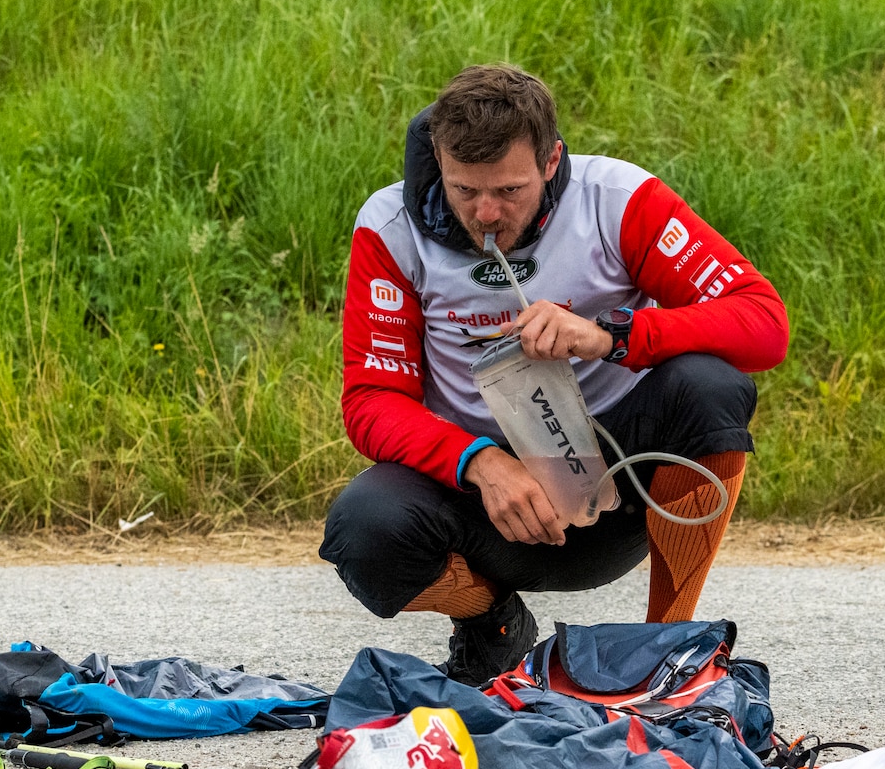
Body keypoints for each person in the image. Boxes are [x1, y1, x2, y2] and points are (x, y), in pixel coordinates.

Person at [320, 64, 790, 684]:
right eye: (464, 190)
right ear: (438, 160)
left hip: (623, 484)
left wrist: (612, 336)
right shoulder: (389, 226)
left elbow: (764, 322)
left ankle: (661, 653)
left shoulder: (617, 199)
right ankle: (492, 627)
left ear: (550, 161)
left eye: (509, 191)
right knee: (362, 529)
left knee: (711, 386)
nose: (486, 213)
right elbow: (373, 400)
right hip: (490, 501)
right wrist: (481, 463)